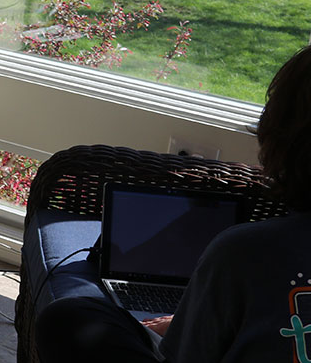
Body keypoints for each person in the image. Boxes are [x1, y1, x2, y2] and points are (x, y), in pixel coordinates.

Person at [36, 44, 311, 363]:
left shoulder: (247, 252)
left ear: (280, 136)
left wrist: (185, 328)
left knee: (69, 318)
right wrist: (190, 321)